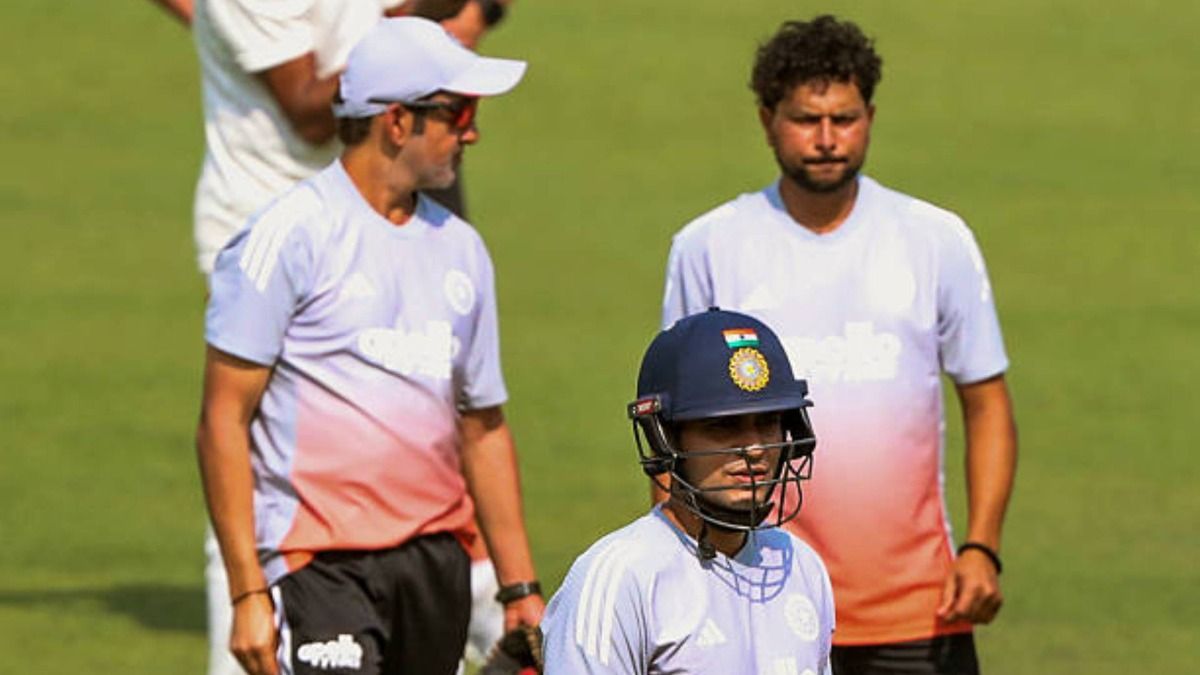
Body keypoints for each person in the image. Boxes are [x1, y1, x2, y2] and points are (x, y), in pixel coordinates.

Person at [660, 16, 1018, 675]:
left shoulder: (935, 239)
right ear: (768, 119)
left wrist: (982, 546)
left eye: (845, 119)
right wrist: (680, 571)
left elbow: (987, 400)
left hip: (919, 611)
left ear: (871, 116)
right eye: (806, 119)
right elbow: (668, 418)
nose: (827, 139)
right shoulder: (710, 246)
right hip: (755, 599)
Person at [196, 17, 542, 675]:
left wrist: (518, 587)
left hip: (433, 566)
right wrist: (247, 590)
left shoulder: (462, 249)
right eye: (458, 112)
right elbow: (222, 420)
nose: (472, 130)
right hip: (320, 569)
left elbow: (483, 426)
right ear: (396, 121)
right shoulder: (287, 238)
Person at [543, 308, 835, 674]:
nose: (755, 448)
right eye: (724, 427)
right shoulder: (621, 579)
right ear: (664, 439)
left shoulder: (801, 568)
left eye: (768, 423)